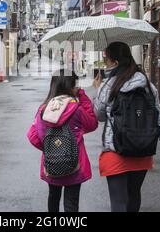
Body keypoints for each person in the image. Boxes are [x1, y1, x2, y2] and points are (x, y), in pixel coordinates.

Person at [93, 42, 160, 212]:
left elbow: (99, 116)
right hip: (142, 150)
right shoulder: (147, 85)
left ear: (115, 63)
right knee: (134, 196)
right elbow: (158, 118)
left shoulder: (109, 85)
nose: (105, 64)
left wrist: (98, 90)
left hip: (115, 151)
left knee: (118, 202)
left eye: (107, 60)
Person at [27, 69, 98, 212]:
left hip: (51, 163)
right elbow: (92, 124)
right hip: (75, 163)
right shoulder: (76, 109)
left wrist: (51, 148)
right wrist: (82, 96)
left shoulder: (44, 109)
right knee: (71, 202)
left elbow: (33, 136)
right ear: (71, 86)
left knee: (53, 197)